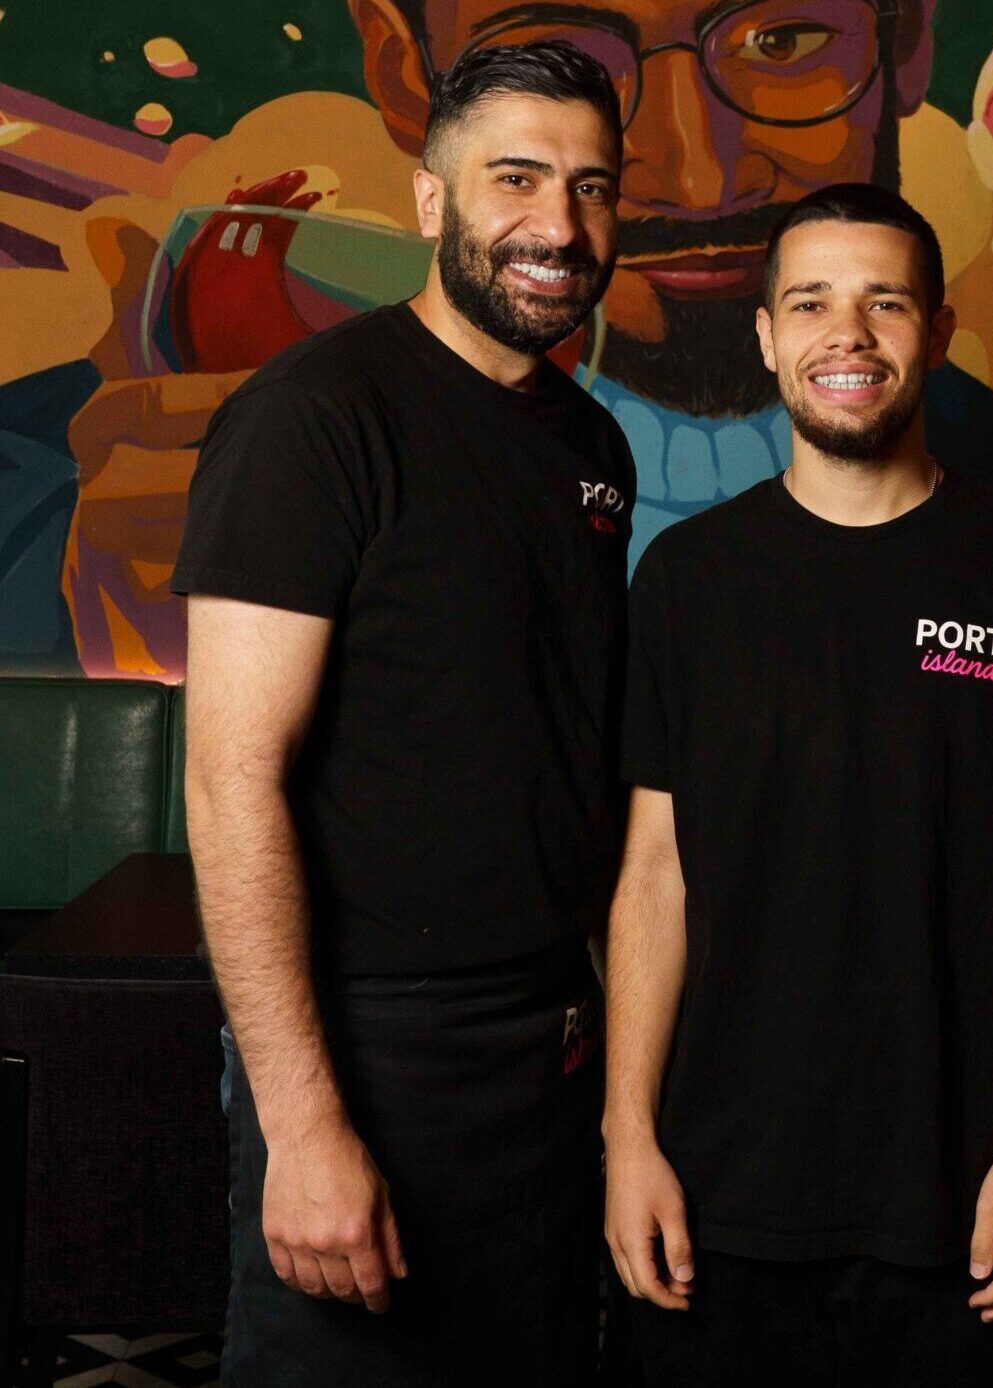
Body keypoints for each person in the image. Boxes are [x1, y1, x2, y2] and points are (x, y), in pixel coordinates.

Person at [43, 0, 993, 678]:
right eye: (555, 53)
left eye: (780, 42)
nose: (698, 173)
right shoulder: (293, 422)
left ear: (907, 38)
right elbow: (235, 786)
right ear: (403, 67)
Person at [171, 41, 631, 1385]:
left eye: (592, 187)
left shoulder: (591, 445)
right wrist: (303, 1122)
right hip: (371, 1049)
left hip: (551, 1046)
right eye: (516, 179)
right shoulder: (315, 417)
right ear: (432, 201)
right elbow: (231, 780)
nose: (559, 225)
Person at [602, 182, 993, 1384]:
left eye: (885, 302)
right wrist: (628, 1133)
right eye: (812, 303)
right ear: (766, 334)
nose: (849, 335)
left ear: (939, 330)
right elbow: (655, 875)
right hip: (719, 1185)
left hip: (963, 1187)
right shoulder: (687, 580)